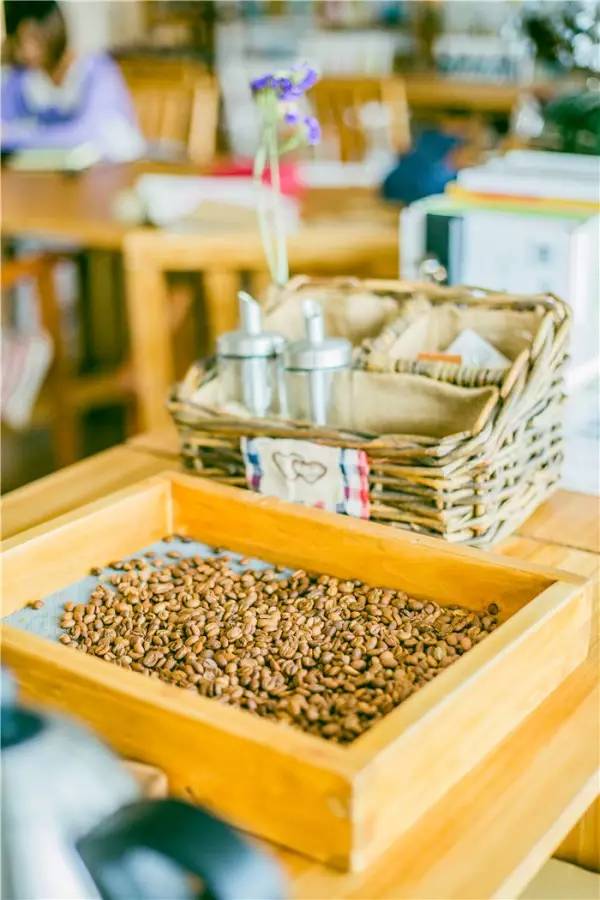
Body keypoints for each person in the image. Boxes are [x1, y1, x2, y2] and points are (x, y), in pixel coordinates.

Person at [1, 0, 145, 162]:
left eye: (33, 37)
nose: (25, 51)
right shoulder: (20, 79)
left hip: (111, 171)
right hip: (44, 174)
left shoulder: (97, 71)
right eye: (18, 41)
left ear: (53, 29)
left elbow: (92, 135)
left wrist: (19, 136)